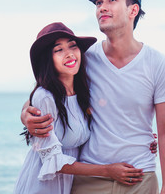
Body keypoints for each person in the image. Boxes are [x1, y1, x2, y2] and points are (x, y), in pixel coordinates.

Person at [22, 0, 165, 194]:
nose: (102, 7)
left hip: (140, 177)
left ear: (133, 10)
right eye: (98, 3)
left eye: (112, 0)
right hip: (88, 180)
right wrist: (26, 115)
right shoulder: (85, 60)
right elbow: (48, 91)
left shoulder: (158, 64)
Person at [14, 22, 144, 194]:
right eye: (58, 50)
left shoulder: (83, 91)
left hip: (71, 186)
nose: (69, 54)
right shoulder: (45, 96)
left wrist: (142, 139)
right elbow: (53, 161)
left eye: (72, 47)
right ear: (48, 58)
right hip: (41, 186)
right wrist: (108, 171)